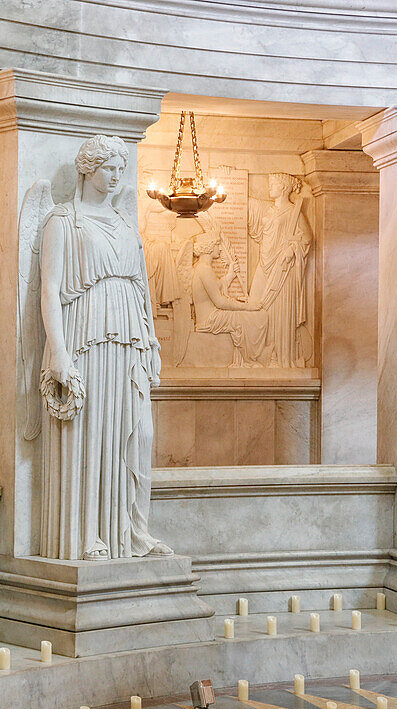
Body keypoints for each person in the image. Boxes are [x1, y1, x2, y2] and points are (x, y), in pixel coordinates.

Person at [38, 135, 172, 561]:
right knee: (91, 433)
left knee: (135, 432)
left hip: (128, 337)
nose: (117, 176)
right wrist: (57, 351)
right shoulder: (64, 221)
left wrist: (149, 340)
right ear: (88, 169)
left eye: (121, 168)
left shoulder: (125, 224)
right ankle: (88, 535)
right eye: (109, 167)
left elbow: (142, 288)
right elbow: (48, 291)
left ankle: (131, 532)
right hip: (86, 336)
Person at [248, 172, 312, 367]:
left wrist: (292, 250)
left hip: (283, 270)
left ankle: (281, 357)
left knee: (280, 312)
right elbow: (248, 204)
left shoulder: (294, 212)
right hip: (264, 265)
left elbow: (307, 237)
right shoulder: (268, 211)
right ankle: (259, 354)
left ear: (284, 187)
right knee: (255, 307)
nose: (270, 188)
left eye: (273, 184)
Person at [189, 232, 268, 366]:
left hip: (213, 315)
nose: (219, 249)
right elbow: (220, 302)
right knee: (257, 317)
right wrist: (248, 306)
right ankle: (251, 359)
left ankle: (252, 357)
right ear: (209, 247)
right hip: (210, 319)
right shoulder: (204, 270)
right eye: (217, 245)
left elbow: (216, 286)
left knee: (255, 315)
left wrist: (229, 275)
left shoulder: (202, 268)